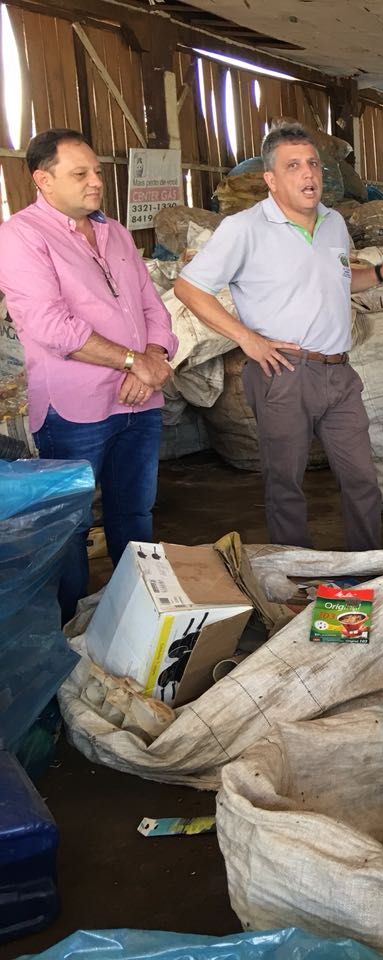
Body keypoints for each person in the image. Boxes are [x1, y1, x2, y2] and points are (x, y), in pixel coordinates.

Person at [176, 122, 383, 552]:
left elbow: (339, 280)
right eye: (293, 166)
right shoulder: (244, 228)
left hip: (338, 373)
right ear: (270, 179)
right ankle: (296, 573)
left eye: (313, 164)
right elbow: (188, 288)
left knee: (362, 479)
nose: (309, 174)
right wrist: (246, 338)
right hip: (283, 373)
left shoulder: (333, 222)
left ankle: (365, 565)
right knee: (286, 485)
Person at [0, 128, 176, 623]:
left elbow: (152, 306)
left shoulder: (114, 231)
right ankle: (66, 631)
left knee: (134, 514)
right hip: (75, 409)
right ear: (43, 180)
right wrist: (133, 361)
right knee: (70, 525)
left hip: (140, 400)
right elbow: (51, 326)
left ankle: (139, 621)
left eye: (97, 171)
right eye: (80, 174)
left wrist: (153, 357)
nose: (96, 181)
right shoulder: (21, 236)